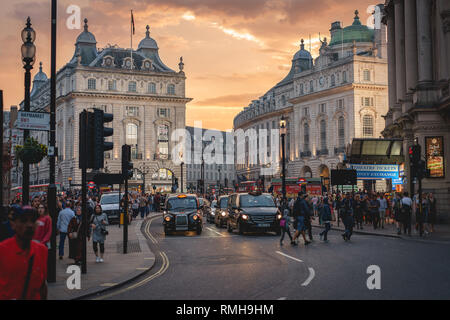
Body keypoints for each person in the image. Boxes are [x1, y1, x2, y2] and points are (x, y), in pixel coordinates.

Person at [0, 206, 48, 300]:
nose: (29, 225)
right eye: (23, 220)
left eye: (33, 221)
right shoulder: (2, 250)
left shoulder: (42, 250)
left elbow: (42, 286)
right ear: (13, 224)